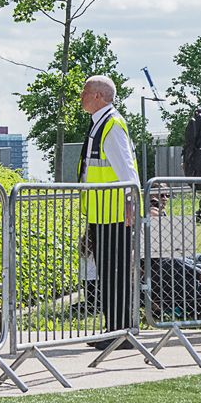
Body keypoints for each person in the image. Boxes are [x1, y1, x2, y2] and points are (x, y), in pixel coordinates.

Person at [77, 75, 142, 349]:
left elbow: (127, 169)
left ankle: (120, 330)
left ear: (98, 97)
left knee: (114, 271)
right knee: (107, 270)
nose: (81, 96)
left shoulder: (111, 124)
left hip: (115, 212)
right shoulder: (100, 124)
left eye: (85, 91)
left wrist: (131, 203)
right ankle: (113, 327)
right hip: (103, 211)